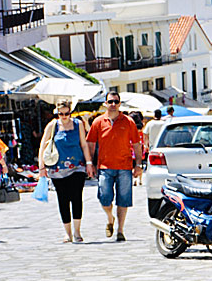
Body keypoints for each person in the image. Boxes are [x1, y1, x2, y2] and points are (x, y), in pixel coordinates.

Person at [86, 91, 143, 242]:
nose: (113, 105)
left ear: (119, 104)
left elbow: (137, 145)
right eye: (110, 101)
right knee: (104, 198)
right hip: (104, 167)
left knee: (123, 200)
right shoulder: (98, 122)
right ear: (105, 103)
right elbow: (90, 144)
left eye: (116, 102)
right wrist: (89, 163)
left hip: (124, 166)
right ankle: (110, 219)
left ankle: (120, 230)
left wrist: (138, 164)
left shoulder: (128, 122)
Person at [38, 100, 96, 243]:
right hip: (57, 168)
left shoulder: (78, 124)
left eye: (66, 113)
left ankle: (77, 231)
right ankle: (67, 233)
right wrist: (41, 167)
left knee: (76, 197)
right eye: (61, 114)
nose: (64, 116)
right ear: (57, 113)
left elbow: (83, 144)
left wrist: (89, 163)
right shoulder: (52, 126)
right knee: (63, 199)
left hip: (77, 166)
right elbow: (42, 146)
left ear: (70, 112)